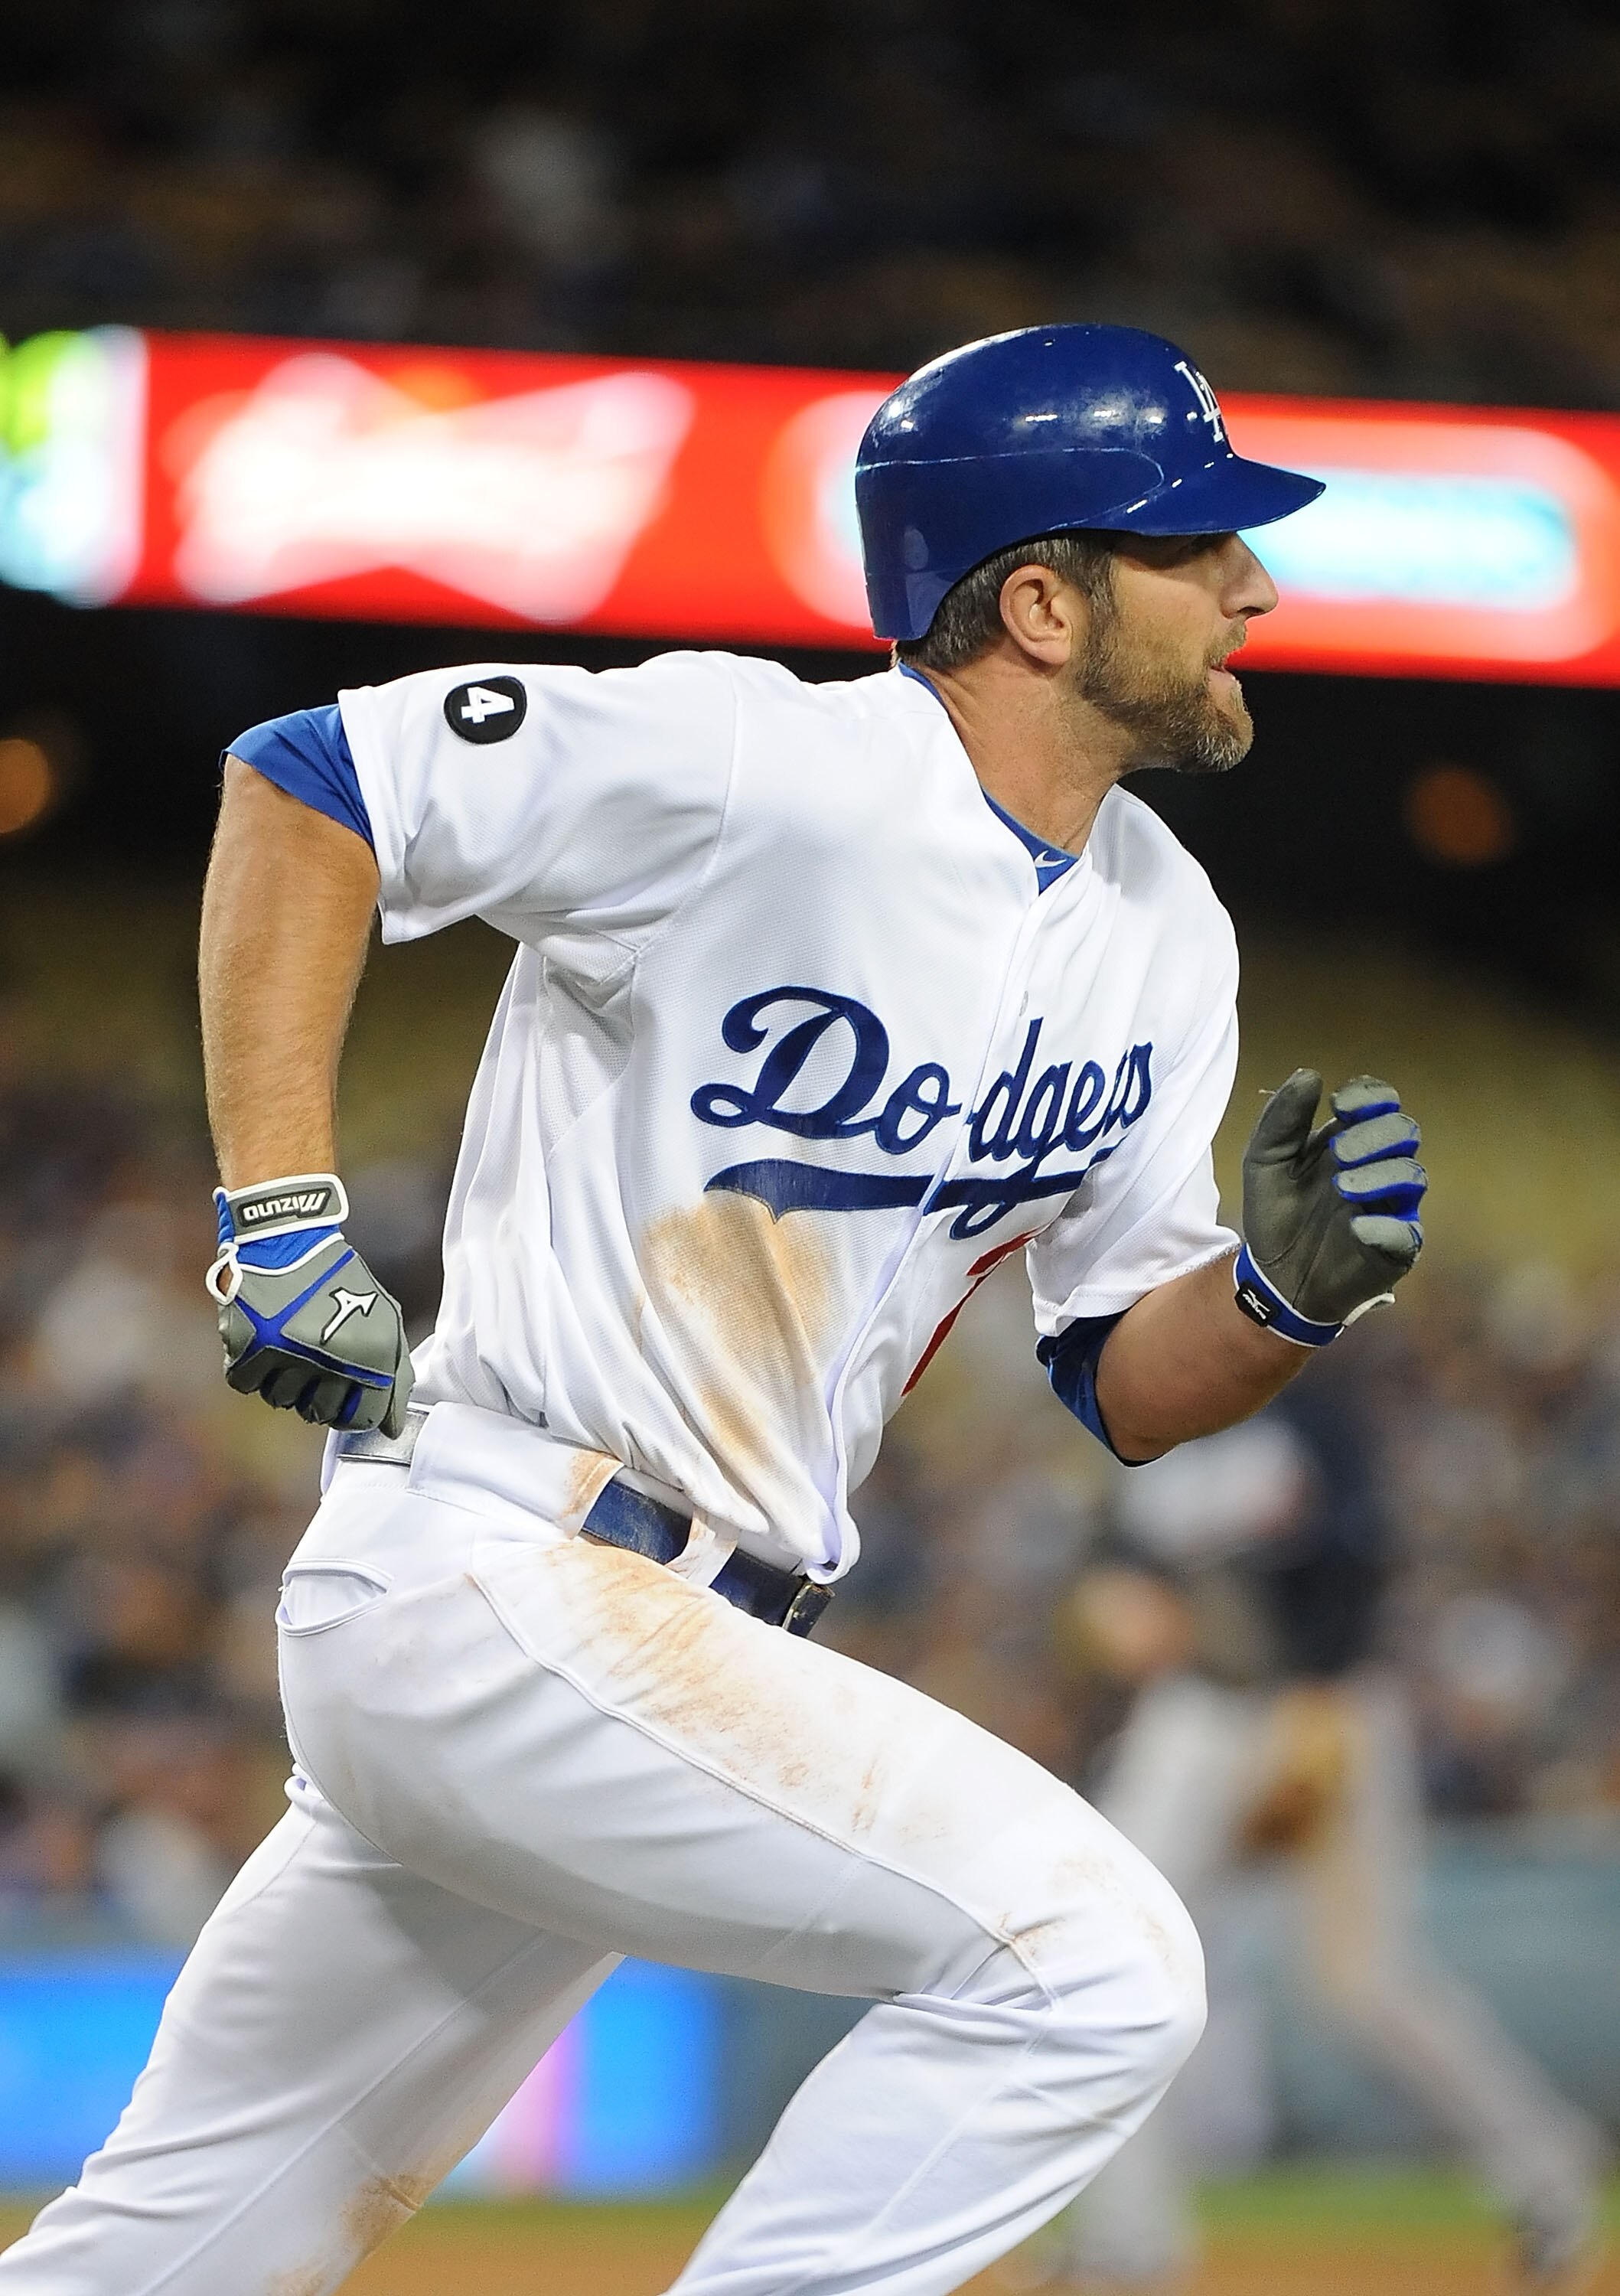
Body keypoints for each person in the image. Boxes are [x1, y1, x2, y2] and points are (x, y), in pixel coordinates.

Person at [0, 325, 1426, 2296]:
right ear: (1037, 596)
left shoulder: (1163, 928)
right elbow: (319, 777)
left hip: (641, 1645)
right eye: (1196, 551)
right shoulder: (763, 761)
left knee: (170, 2255)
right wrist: (280, 1210)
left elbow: (1118, 1375)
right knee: (1091, 1961)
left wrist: (1282, 1298)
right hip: (504, 1571)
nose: (1250, 587)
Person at [1040, 1384, 1605, 2292]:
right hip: (1195, 1713)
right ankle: (1125, 2244)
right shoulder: (1134, 1391)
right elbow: (1113, 1560)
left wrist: (1321, 1688)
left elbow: (1360, 1541)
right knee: (1110, 1956)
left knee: (1367, 1980)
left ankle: (1548, 2174)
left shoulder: (1301, 1394)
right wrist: (1112, 1591)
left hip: (1330, 1703)